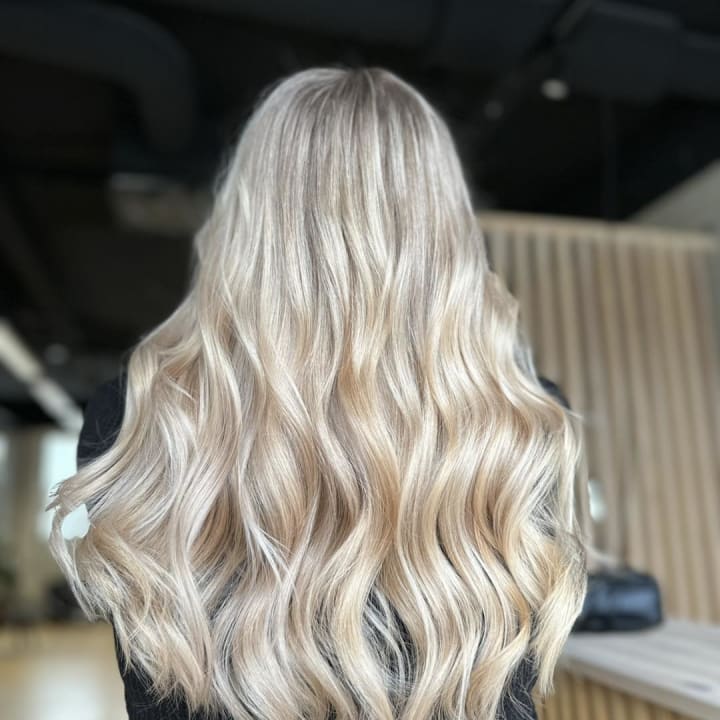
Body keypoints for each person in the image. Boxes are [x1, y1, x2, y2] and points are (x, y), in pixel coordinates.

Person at [47, 66, 588, 720]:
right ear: (444, 226)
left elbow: (158, 688)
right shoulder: (519, 424)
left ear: (247, 216)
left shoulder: (142, 417)